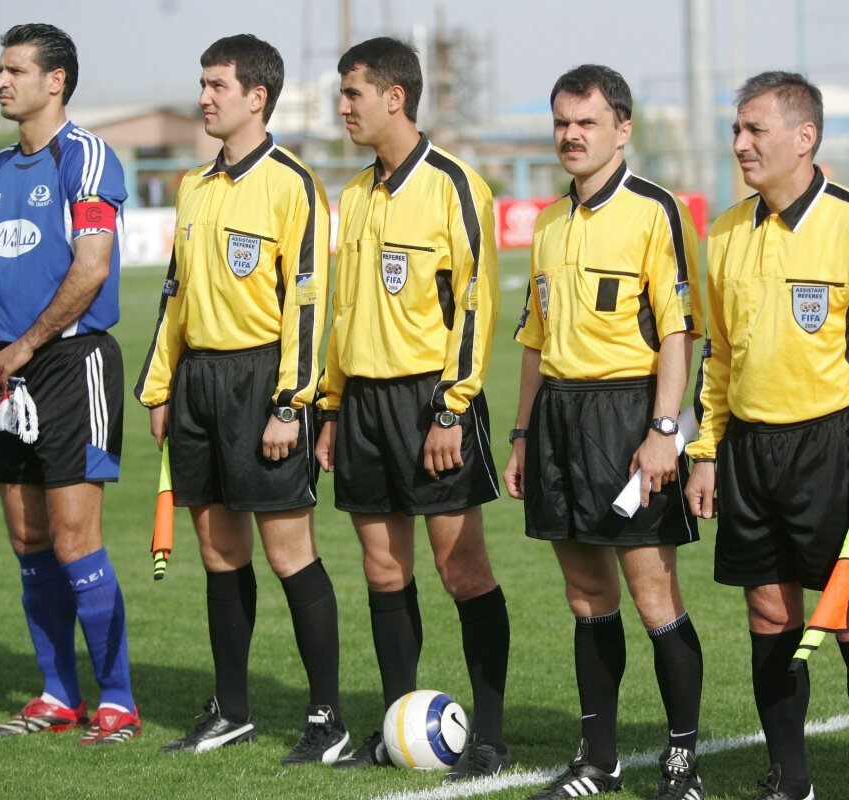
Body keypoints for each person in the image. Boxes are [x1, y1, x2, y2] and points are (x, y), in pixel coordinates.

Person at [684, 71, 849, 800]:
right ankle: (790, 779)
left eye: (755, 129)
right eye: (736, 129)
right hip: (749, 450)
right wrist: (705, 451)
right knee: (768, 610)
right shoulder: (725, 230)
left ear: (804, 137)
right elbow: (717, 356)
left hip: (832, 447)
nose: (739, 143)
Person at [135, 34, 345, 764]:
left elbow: (309, 304)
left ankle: (327, 719)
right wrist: (161, 387)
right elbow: (174, 294)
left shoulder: (294, 184)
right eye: (202, 83)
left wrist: (290, 404)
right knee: (218, 552)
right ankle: (232, 711)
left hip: (264, 383)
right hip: (197, 384)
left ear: (257, 97)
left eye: (217, 85)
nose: (204, 97)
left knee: (289, 552)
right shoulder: (193, 185)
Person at [505, 64, 706, 800]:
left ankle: (682, 762)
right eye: (562, 122)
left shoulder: (657, 211)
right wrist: (522, 434)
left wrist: (663, 431)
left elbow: (680, 332)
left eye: (586, 122)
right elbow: (535, 340)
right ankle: (599, 760)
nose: (571, 135)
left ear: (623, 129)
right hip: (558, 417)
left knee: (655, 597)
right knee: (587, 595)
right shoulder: (548, 223)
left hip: (630, 416)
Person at [316, 36, 510, 781]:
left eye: (352, 94)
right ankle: (399, 725)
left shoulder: (457, 185)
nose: (342, 107)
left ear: (394, 97)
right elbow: (343, 311)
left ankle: (490, 736)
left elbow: (477, 306)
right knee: (382, 568)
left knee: (462, 569)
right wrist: (333, 405)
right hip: (362, 404)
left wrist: (452, 409)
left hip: (431, 400)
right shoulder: (355, 194)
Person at [0, 22, 139, 744]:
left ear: (55, 80)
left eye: (15, 70)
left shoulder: (87, 156)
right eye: (1, 69)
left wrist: (24, 347)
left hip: (72, 363)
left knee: (74, 538)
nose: (1, 81)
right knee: (27, 538)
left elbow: (91, 269)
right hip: (4, 372)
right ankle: (56, 695)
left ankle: (118, 701)